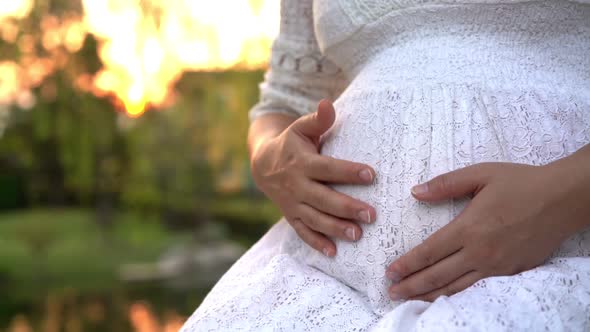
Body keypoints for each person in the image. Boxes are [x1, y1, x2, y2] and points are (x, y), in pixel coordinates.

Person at [181, 0, 590, 330]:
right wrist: (269, 161)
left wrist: (565, 194)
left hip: (558, 261)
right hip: (321, 280)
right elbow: (283, 103)